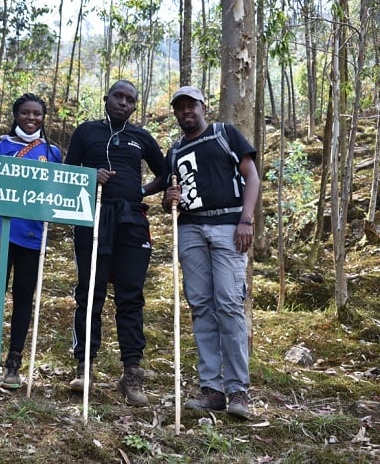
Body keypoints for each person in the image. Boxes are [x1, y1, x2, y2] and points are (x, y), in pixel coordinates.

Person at [64, 80, 168, 406]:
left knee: (131, 296)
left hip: (132, 222)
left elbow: (165, 173)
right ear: (106, 98)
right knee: (90, 291)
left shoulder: (141, 137)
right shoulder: (86, 132)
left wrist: (143, 192)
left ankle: (132, 373)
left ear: (135, 106)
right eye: (118, 97)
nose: (124, 103)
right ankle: (85, 367)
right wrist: (89, 176)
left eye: (130, 100)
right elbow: (66, 172)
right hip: (93, 218)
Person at [162, 86, 260, 419]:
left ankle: (238, 391)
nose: (186, 111)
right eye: (180, 107)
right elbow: (166, 192)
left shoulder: (224, 134)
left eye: (192, 105)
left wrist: (246, 220)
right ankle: (212, 390)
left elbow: (251, 176)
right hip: (189, 229)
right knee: (201, 305)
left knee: (229, 304)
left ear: (204, 107)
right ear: (175, 113)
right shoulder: (175, 150)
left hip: (228, 226)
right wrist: (167, 198)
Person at [0, 93, 62, 389]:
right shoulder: (2, 147)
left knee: (24, 296)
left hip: (33, 236)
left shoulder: (53, 152)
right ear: (16, 115)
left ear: (43, 117)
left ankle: (14, 362)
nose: (31, 118)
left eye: (37, 114)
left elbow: (58, 193)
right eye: (25, 113)